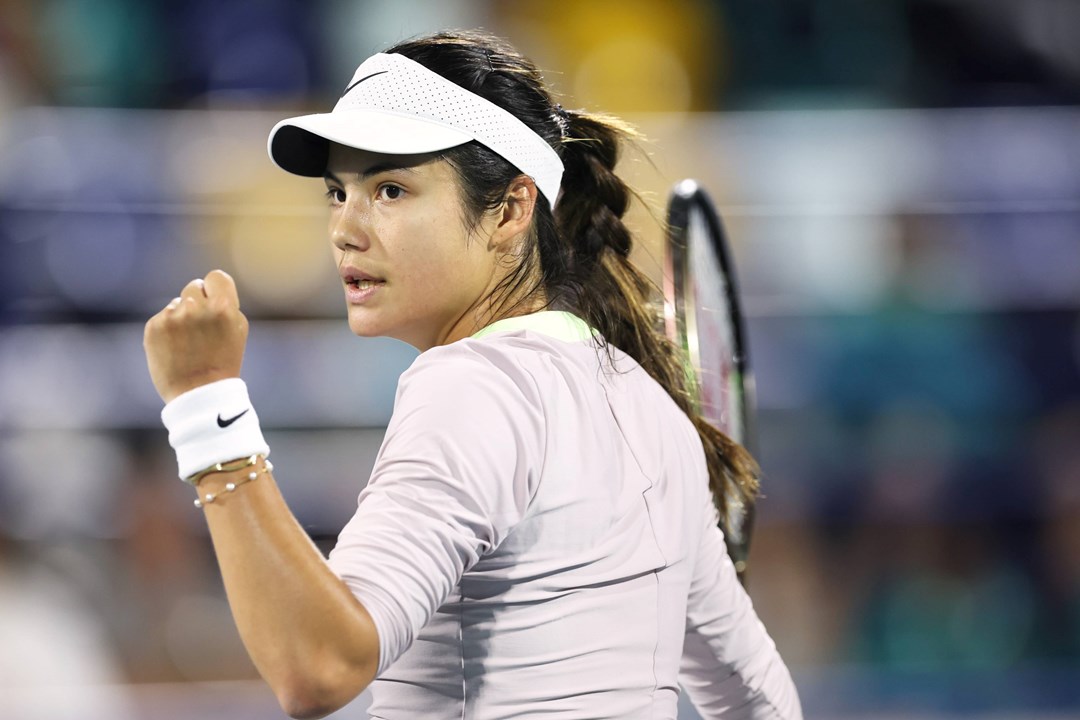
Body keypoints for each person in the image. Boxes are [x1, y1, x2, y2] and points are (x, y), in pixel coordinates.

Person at [143, 29, 802, 720]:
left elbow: (320, 666)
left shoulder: (473, 387)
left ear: (512, 210)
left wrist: (206, 405)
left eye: (392, 190)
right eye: (339, 193)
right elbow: (762, 702)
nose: (345, 227)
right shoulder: (652, 407)